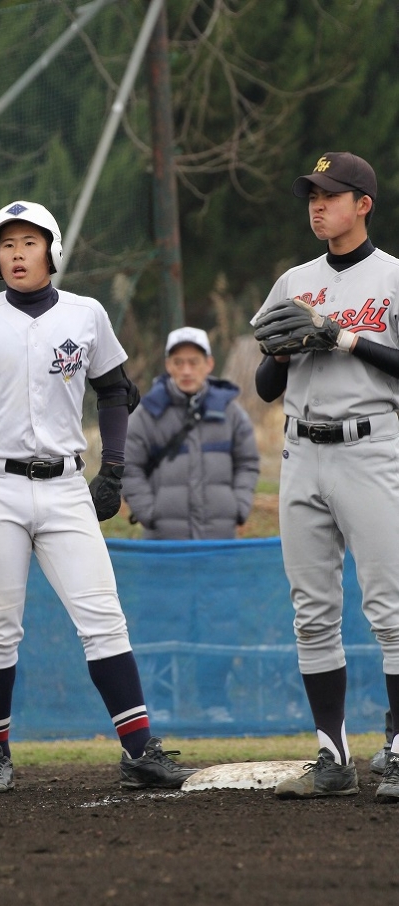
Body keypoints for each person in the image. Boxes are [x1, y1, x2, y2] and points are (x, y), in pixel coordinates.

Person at [0, 199, 198, 793]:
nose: (17, 254)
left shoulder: (86, 314)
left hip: (66, 486)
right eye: (6, 245)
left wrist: (112, 470)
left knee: (104, 619)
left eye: (29, 243)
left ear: (52, 251)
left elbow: (114, 391)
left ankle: (139, 751)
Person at [252, 151, 399, 801]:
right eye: (312, 195)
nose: (318, 206)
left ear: (363, 204)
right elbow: (266, 386)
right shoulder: (294, 281)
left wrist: (341, 337)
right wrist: (283, 351)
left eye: (331, 195)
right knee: (311, 613)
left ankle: (398, 748)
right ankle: (333, 757)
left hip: (370, 447)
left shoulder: (392, 277)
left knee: (391, 609)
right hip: (300, 452)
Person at [122, 326, 260, 540]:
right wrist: (148, 513)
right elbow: (128, 466)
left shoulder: (232, 413)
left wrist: (239, 506)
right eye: (178, 362)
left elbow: (247, 463)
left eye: (194, 362)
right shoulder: (146, 414)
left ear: (209, 364)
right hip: (164, 541)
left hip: (220, 538)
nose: (186, 371)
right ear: (168, 365)